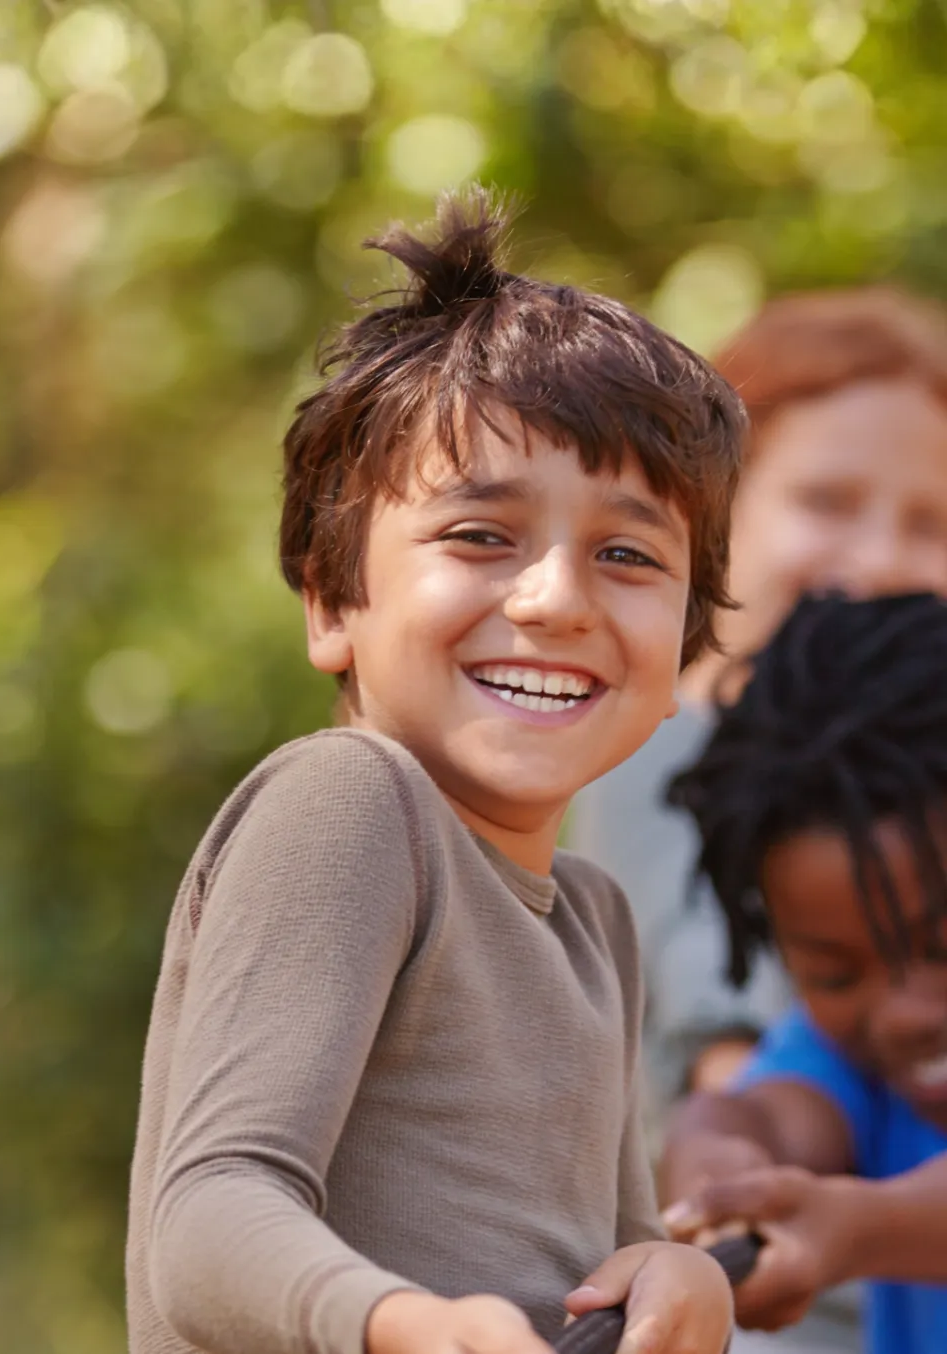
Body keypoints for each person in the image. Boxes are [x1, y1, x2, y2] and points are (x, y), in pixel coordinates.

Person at [124, 191, 747, 1354]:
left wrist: (669, 1270)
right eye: (478, 535)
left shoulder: (594, 919)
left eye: (624, 554)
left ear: (682, 652)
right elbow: (205, 1214)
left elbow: (592, 1264)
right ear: (329, 598)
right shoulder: (353, 805)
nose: (555, 598)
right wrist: (397, 1322)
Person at [570, 287, 947, 1124]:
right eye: (827, 501)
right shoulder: (661, 744)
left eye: (932, 523)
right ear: (715, 515)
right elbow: (720, 1039)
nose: (881, 559)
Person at [659, 590, 947, 1354]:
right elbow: (763, 1114)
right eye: (836, 976)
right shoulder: (861, 1068)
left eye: (943, 949)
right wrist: (714, 1166)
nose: (905, 1015)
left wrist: (857, 1228)